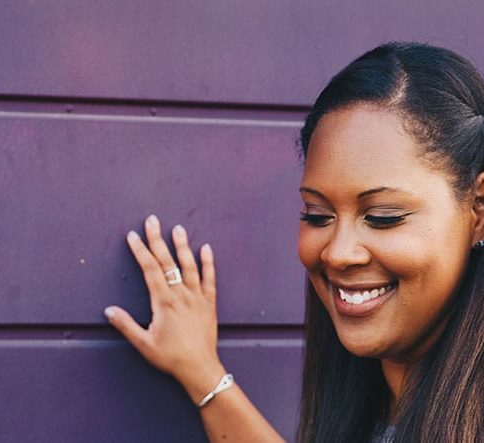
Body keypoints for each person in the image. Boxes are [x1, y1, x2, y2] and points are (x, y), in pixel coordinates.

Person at [103, 42, 484, 443]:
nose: (337, 252)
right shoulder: (381, 399)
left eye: (382, 217)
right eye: (317, 215)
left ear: (477, 210)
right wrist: (201, 371)